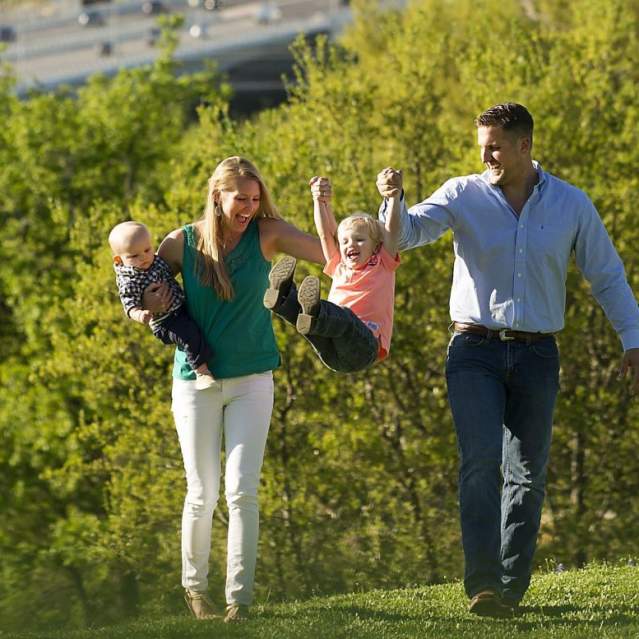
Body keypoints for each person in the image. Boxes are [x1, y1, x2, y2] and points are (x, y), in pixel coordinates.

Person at [376, 103, 639, 617]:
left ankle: (511, 587)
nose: (486, 154)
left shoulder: (570, 204)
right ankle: (483, 585)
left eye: (495, 144)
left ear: (525, 145)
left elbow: (605, 275)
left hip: (539, 354)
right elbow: (405, 235)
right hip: (473, 350)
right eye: (481, 145)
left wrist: (632, 337)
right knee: (479, 463)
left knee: (527, 474)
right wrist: (394, 200)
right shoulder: (461, 193)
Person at [141, 156, 324, 623]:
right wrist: (142, 312)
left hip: (252, 380)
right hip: (194, 382)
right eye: (240, 198)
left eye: (255, 198)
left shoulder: (268, 233)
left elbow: (332, 252)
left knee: (243, 491)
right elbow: (138, 284)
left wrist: (359, 225)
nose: (248, 206)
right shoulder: (180, 243)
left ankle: (238, 601)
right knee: (202, 493)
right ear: (217, 196)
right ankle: (195, 591)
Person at [263, 171, 401, 372]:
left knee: (344, 319)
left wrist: (394, 197)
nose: (350, 245)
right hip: (330, 349)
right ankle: (283, 297)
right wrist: (319, 201)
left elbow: (392, 230)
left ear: (376, 246)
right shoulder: (339, 265)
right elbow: (325, 233)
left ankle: (313, 310)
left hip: (364, 348)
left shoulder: (383, 264)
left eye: (359, 240)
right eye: (345, 241)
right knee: (308, 321)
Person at [108, 220, 215, 390]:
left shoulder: (155, 261)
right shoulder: (128, 279)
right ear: (119, 259)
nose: (143, 257)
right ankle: (201, 371)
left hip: (179, 306)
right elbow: (129, 304)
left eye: (147, 250)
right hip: (164, 322)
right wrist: (140, 314)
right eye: (134, 256)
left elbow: (173, 269)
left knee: (200, 322)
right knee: (188, 334)